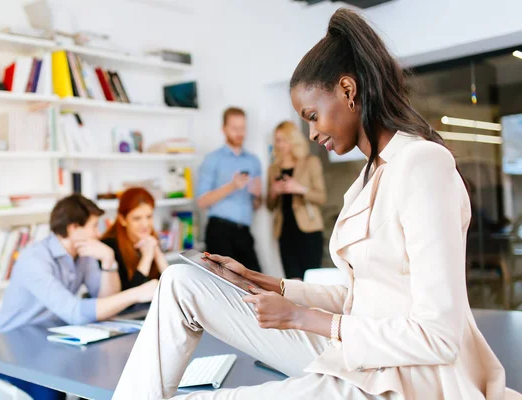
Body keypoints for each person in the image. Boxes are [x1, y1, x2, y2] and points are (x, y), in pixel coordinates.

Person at [112, 8, 518, 400]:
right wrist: (268, 282)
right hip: (362, 355)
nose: (310, 132)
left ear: (347, 90)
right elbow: (364, 300)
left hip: (410, 378)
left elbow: (439, 335)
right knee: (181, 283)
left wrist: (298, 316)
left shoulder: (423, 164)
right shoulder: (369, 177)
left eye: (312, 115)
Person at [0, 194, 158, 400]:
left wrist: (108, 261)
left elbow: (106, 300)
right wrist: (136, 294)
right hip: (10, 350)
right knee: (52, 391)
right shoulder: (35, 260)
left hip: (51, 342)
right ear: (73, 229)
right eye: (94, 226)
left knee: (101, 374)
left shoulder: (83, 254)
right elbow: (75, 313)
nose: (98, 233)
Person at [196, 107, 262, 272]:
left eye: (242, 128)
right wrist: (232, 186)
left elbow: (257, 204)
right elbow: (202, 201)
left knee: (255, 283)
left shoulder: (253, 161)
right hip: (220, 232)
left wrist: (258, 195)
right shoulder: (212, 159)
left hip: (244, 232)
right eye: (234, 128)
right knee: (222, 285)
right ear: (224, 129)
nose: (239, 133)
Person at [267, 120, 327, 279]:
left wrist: (299, 189)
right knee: (293, 283)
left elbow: (321, 197)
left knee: (312, 280)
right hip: (285, 232)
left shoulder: (310, 162)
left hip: (309, 230)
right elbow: (270, 205)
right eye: (277, 140)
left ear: (293, 139)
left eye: (283, 139)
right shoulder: (273, 168)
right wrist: (274, 191)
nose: (279, 144)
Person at [101, 187, 169, 290]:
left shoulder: (151, 238)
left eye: (149, 216)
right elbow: (129, 298)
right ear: (122, 219)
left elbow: (171, 284)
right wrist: (147, 257)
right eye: (137, 218)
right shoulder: (109, 246)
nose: (145, 224)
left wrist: (157, 253)